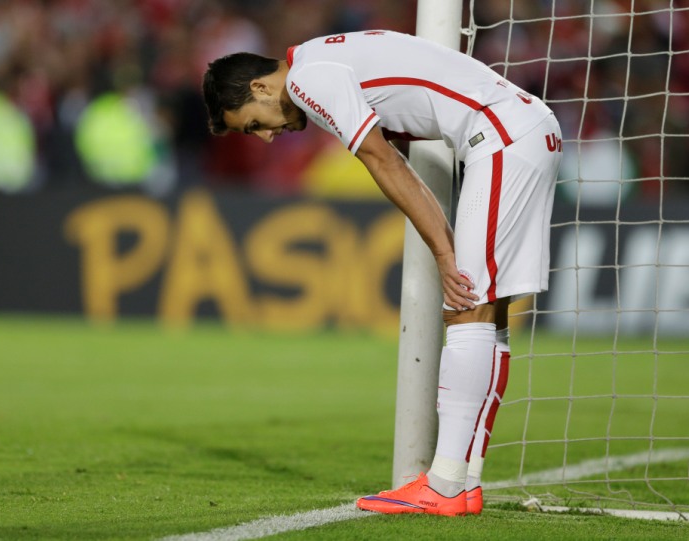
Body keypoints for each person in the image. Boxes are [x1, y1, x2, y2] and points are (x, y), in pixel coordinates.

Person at [202, 30, 562, 516]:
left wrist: (444, 252)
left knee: (466, 306)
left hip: (500, 137)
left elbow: (382, 159)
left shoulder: (309, 79)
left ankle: (445, 485)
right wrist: (445, 245)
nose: (266, 136)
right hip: (521, 132)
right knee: (486, 312)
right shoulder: (324, 58)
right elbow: (396, 160)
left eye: (253, 124)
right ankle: (464, 481)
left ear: (261, 87)